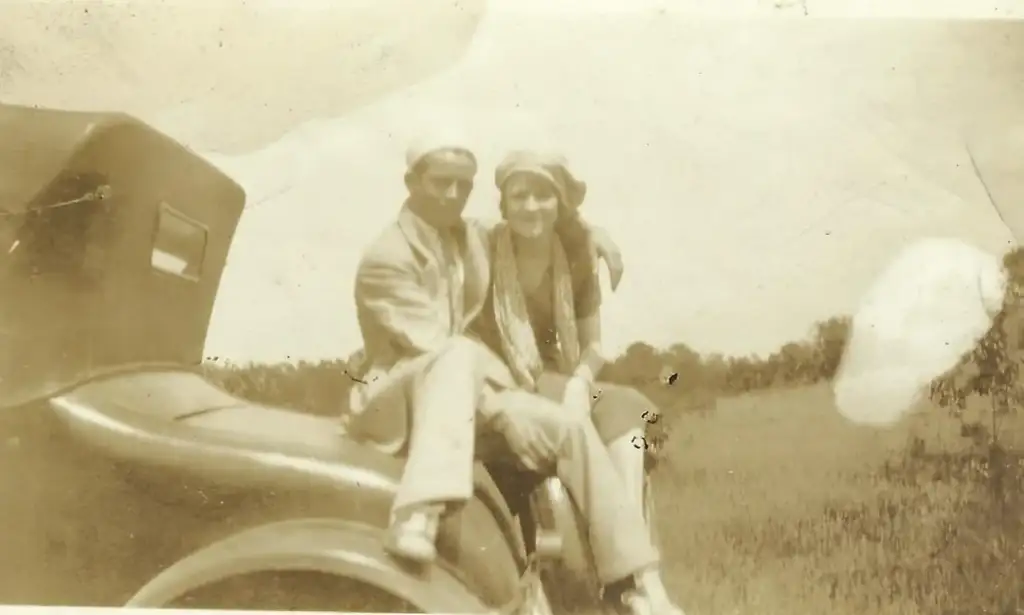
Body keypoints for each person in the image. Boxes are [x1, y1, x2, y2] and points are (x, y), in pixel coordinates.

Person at [346, 134, 684, 615]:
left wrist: (592, 233)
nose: (451, 196)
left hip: (470, 393)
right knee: (461, 352)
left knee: (571, 426)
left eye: (462, 185)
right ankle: (416, 514)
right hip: (400, 397)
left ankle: (633, 580)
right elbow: (439, 352)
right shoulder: (388, 257)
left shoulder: (461, 235)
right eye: (440, 183)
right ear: (411, 183)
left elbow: (544, 217)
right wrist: (508, 415)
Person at [469, 149, 660, 519]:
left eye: (544, 195)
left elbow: (593, 346)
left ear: (560, 202)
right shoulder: (484, 245)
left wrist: (578, 384)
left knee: (625, 407)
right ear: (504, 206)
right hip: (495, 379)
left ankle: (629, 529)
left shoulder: (574, 257)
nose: (531, 206)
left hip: (551, 376)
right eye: (519, 196)